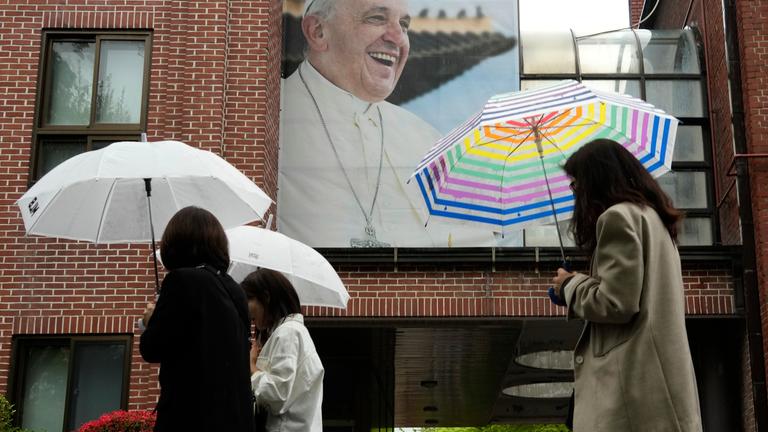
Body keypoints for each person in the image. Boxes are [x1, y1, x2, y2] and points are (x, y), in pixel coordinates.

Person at [278, 0, 493, 247]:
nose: (397, 38)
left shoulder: (427, 141)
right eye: (376, 18)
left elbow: (472, 245)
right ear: (318, 32)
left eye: (403, 25)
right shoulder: (273, 121)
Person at [549, 139, 702, 431]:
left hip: (633, 392)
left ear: (596, 180)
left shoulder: (616, 218)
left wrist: (570, 285)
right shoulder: (654, 220)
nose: (575, 191)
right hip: (658, 388)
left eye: (577, 182)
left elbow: (616, 303)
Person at [139, 206, 253, 432]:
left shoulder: (181, 281)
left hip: (191, 417)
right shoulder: (234, 289)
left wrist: (150, 321)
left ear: (175, 244)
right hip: (234, 419)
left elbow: (152, 348)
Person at [242, 268, 324, 431]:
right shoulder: (288, 332)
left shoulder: (288, 333)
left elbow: (277, 394)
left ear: (265, 297)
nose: (246, 309)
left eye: (248, 299)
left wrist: (252, 366)